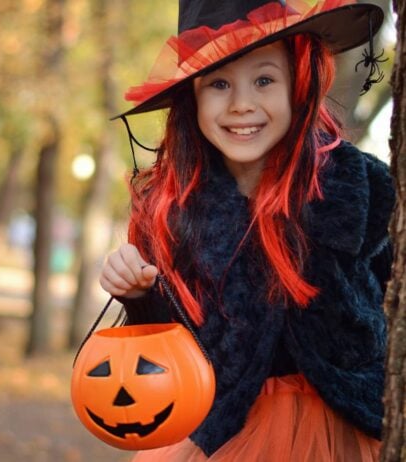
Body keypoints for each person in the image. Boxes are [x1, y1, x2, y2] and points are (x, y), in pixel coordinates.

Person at [99, 0, 395, 460]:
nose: (242, 105)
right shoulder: (174, 210)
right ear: (191, 98)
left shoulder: (356, 187)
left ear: (298, 85)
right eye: (219, 84)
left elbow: (392, 297)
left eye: (264, 80)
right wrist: (138, 296)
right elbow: (168, 351)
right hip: (223, 428)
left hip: (346, 424)